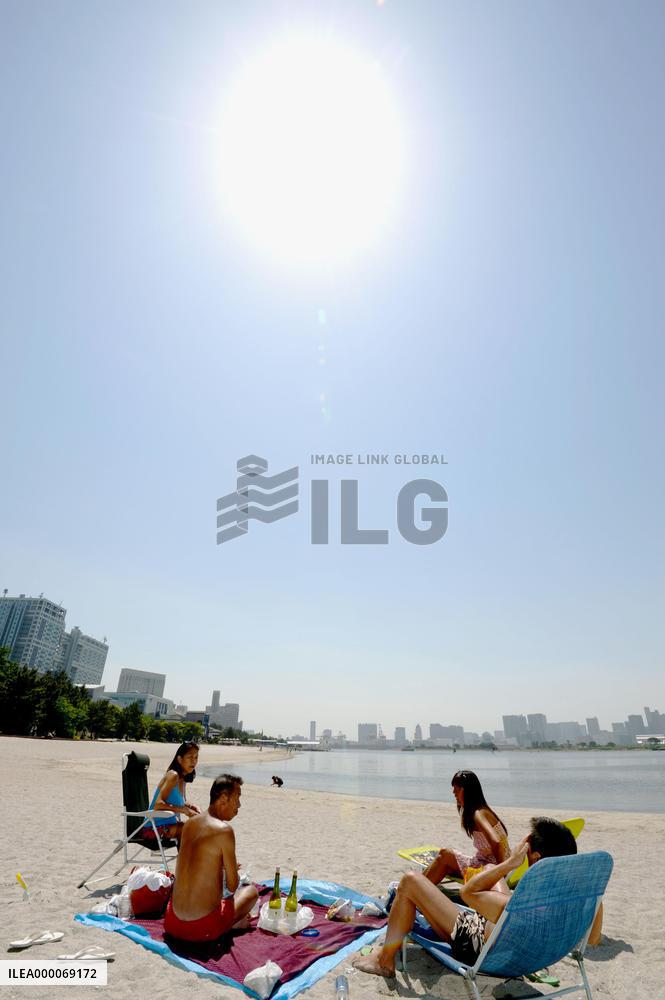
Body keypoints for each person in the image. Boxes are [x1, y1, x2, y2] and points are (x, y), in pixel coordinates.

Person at [354, 817, 602, 978]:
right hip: (526, 953)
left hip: (480, 947)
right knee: (489, 870)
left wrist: (511, 864)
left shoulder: (520, 905)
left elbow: (468, 893)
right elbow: (593, 939)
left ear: (535, 856)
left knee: (410, 881)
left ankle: (384, 962)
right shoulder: (582, 899)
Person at [164, 773, 259, 942]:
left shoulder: (189, 824)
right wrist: (228, 870)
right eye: (237, 798)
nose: (239, 805)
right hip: (202, 929)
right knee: (251, 892)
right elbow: (232, 886)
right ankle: (233, 924)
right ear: (223, 799)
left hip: (172, 922)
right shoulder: (224, 831)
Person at [423, 770, 509, 885]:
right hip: (486, 865)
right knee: (445, 864)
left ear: (465, 790)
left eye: (457, 790)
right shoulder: (483, 811)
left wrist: (500, 874)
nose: (454, 793)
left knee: (444, 854)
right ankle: (417, 886)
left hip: (488, 870)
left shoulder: (479, 814)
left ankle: (414, 888)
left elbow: (497, 842)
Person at [146, 741, 201, 841]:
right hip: (153, 828)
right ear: (179, 759)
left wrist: (192, 806)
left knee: (200, 827)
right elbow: (158, 804)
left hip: (170, 825)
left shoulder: (182, 779)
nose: (193, 761)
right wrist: (183, 810)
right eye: (190, 757)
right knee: (193, 830)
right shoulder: (173, 775)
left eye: (196, 757)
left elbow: (182, 802)